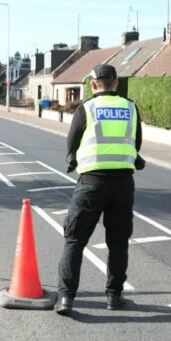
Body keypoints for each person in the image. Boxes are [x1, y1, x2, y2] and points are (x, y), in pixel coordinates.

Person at [56, 64, 142, 315]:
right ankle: (114, 297)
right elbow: (136, 143)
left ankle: (66, 299)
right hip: (123, 184)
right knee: (118, 243)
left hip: (91, 183)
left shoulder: (87, 108)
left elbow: (72, 142)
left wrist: (72, 157)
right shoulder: (130, 107)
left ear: (93, 85)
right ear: (116, 83)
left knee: (74, 240)